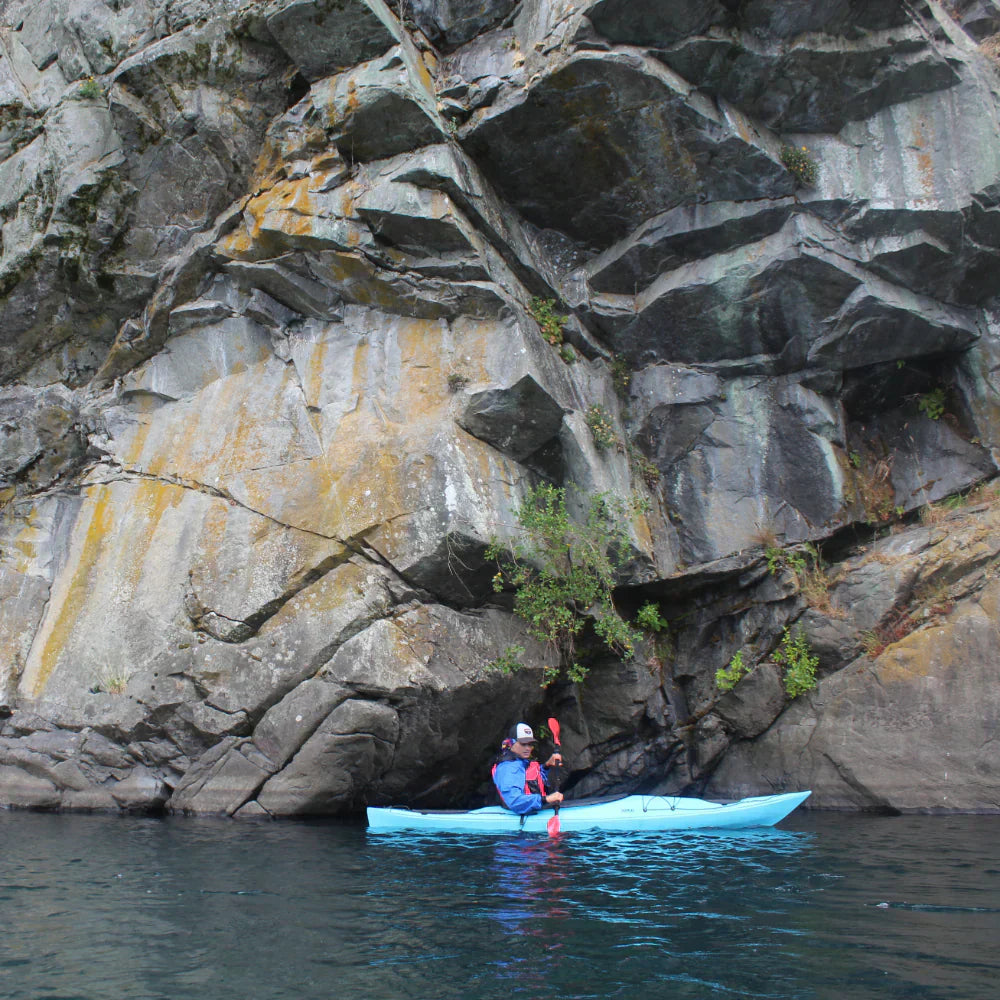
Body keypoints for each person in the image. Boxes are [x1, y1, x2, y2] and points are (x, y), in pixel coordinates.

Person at [492, 722, 564, 815]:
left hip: (535, 809)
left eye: (530, 744)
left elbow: (531, 778)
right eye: (523, 744)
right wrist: (546, 799)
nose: (527, 748)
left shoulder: (520, 761)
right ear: (511, 744)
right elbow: (514, 801)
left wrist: (547, 765)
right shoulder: (508, 768)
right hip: (518, 814)